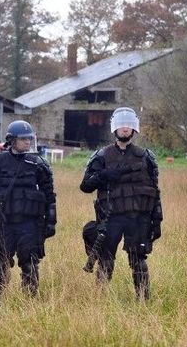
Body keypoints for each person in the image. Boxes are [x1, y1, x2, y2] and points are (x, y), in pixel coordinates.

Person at [79, 107, 162, 300]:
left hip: (138, 218)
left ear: (134, 130)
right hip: (111, 218)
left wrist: (156, 220)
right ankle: (100, 299)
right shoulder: (101, 156)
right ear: (115, 129)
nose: (125, 129)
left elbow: (155, 192)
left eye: (129, 126)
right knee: (105, 260)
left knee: (138, 260)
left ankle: (143, 300)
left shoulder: (147, 157)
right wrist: (104, 175)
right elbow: (85, 186)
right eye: (122, 126)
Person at [0, 120, 56, 303]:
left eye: (30, 138)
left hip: (30, 224)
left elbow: (49, 195)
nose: (28, 142)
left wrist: (51, 221)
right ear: (12, 140)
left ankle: (30, 301)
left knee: (30, 263)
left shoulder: (38, 164)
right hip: (3, 223)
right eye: (23, 139)